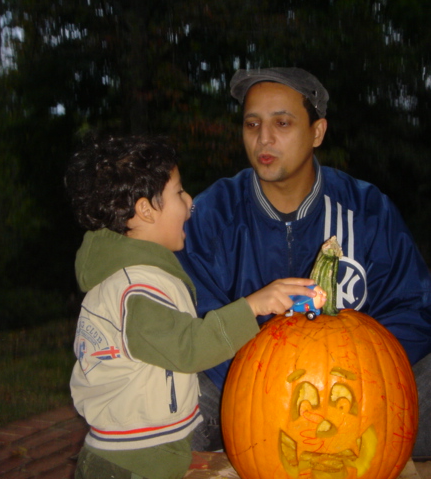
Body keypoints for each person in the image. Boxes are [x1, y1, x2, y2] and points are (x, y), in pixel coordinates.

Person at [175, 67, 431, 475]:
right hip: (239, 385)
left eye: (282, 123)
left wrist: (357, 372)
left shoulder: (367, 210)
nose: (264, 139)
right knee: (173, 395)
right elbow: (190, 310)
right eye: (252, 124)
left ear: (317, 132)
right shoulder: (212, 213)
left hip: (358, 393)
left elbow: (414, 307)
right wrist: (263, 376)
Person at [64, 134, 319, 479]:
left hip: (136, 458)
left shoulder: (129, 278)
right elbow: (189, 347)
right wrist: (252, 306)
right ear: (146, 210)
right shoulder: (135, 289)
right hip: (132, 466)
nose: (190, 203)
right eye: (179, 192)